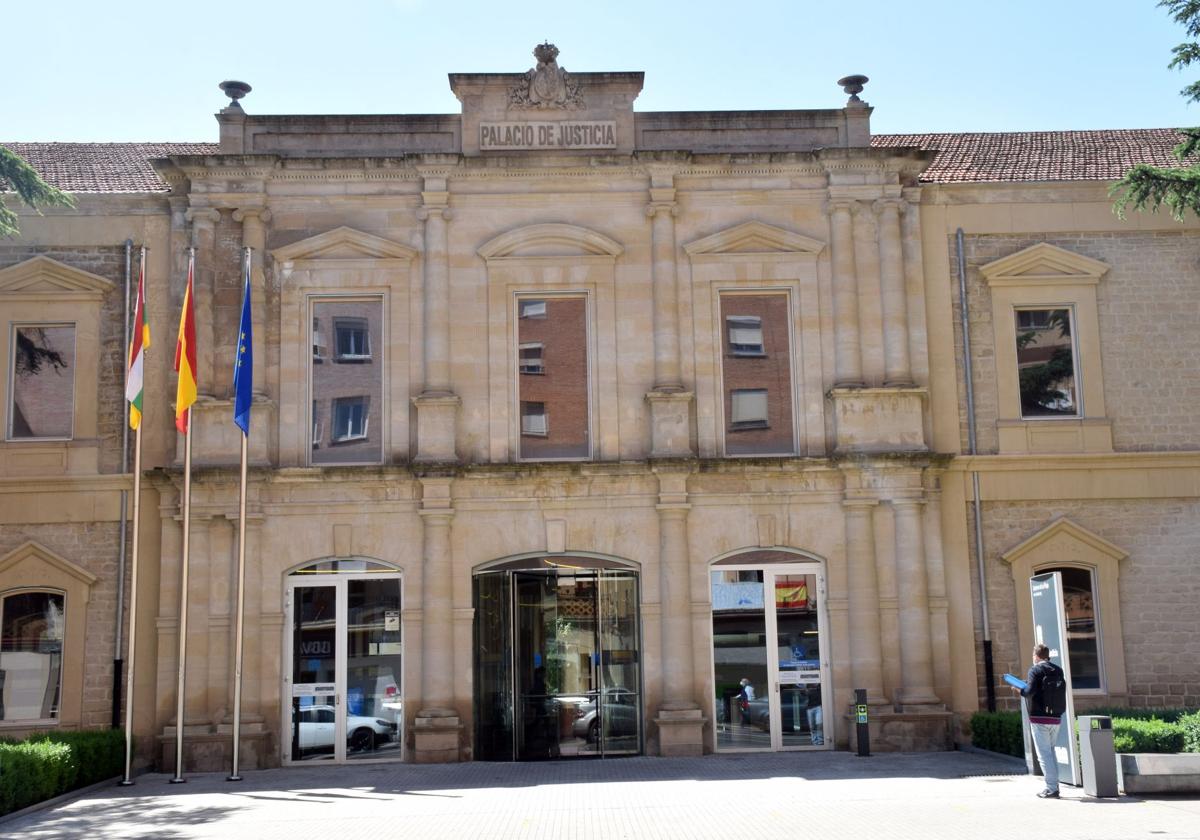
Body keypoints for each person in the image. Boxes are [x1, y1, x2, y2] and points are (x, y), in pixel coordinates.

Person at [1012, 644, 1065, 799]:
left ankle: (1051, 789)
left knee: (1044, 754)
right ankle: (1055, 785)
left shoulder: (1035, 670)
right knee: (1051, 751)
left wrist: (1018, 690)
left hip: (1039, 717)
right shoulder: (1058, 670)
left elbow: (1029, 692)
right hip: (1055, 716)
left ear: (1036, 656)